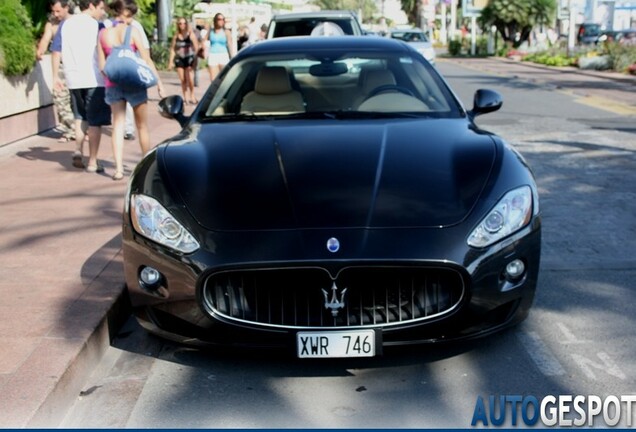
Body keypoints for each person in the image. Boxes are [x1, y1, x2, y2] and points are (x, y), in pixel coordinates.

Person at [97, 0, 165, 180]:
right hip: (135, 83)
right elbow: (146, 59)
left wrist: (112, 75)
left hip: (113, 84)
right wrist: (158, 82)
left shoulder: (103, 34)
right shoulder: (132, 31)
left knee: (117, 125)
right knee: (142, 126)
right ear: (126, 13)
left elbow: (102, 64)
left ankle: (118, 169)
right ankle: (145, 166)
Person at [54, 0, 111, 173]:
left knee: (80, 116)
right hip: (94, 78)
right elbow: (105, 49)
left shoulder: (66, 24)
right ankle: (93, 161)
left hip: (73, 77)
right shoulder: (97, 25)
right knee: (95, 121)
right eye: (101, 8)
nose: (102, 12)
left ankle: (78, 149)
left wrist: (55, 75)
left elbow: (57, 50)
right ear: (92, 5)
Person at [37, 0, 75, 143]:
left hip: (77, 67)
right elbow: (45, 40)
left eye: (58, 11)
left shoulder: (75, 22)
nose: (55, 14)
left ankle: (79, 129)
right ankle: (71, 130)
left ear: (66, 8)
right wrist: (39, 51)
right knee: (60, 98)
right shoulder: (52, 25)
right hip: (60, 67)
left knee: (76, 101)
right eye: (53, 11)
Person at [168, 17, 198, 105]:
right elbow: (173, 49)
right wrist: (170, 62)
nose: (182, 25)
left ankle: (192, 94)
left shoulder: (190, 34)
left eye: (184, 23)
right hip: (179, 58)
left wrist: (195, 59)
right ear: (178, 25)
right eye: (180, 23)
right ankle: (186, 97)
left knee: (190, 78)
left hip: (189, 58)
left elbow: (196, 48)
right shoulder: (176, 36)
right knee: (183, 79)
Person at [207, 12, 232, 82]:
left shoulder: (226, 31)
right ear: (215, 20)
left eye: (223, 19)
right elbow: (203, 41)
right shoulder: (211, 31)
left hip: (223, 55)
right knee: (213, 80)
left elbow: (230, 45)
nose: (221, 21)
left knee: (224, 79)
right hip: (213, 55)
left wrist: (232, 57)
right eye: (219, 19)